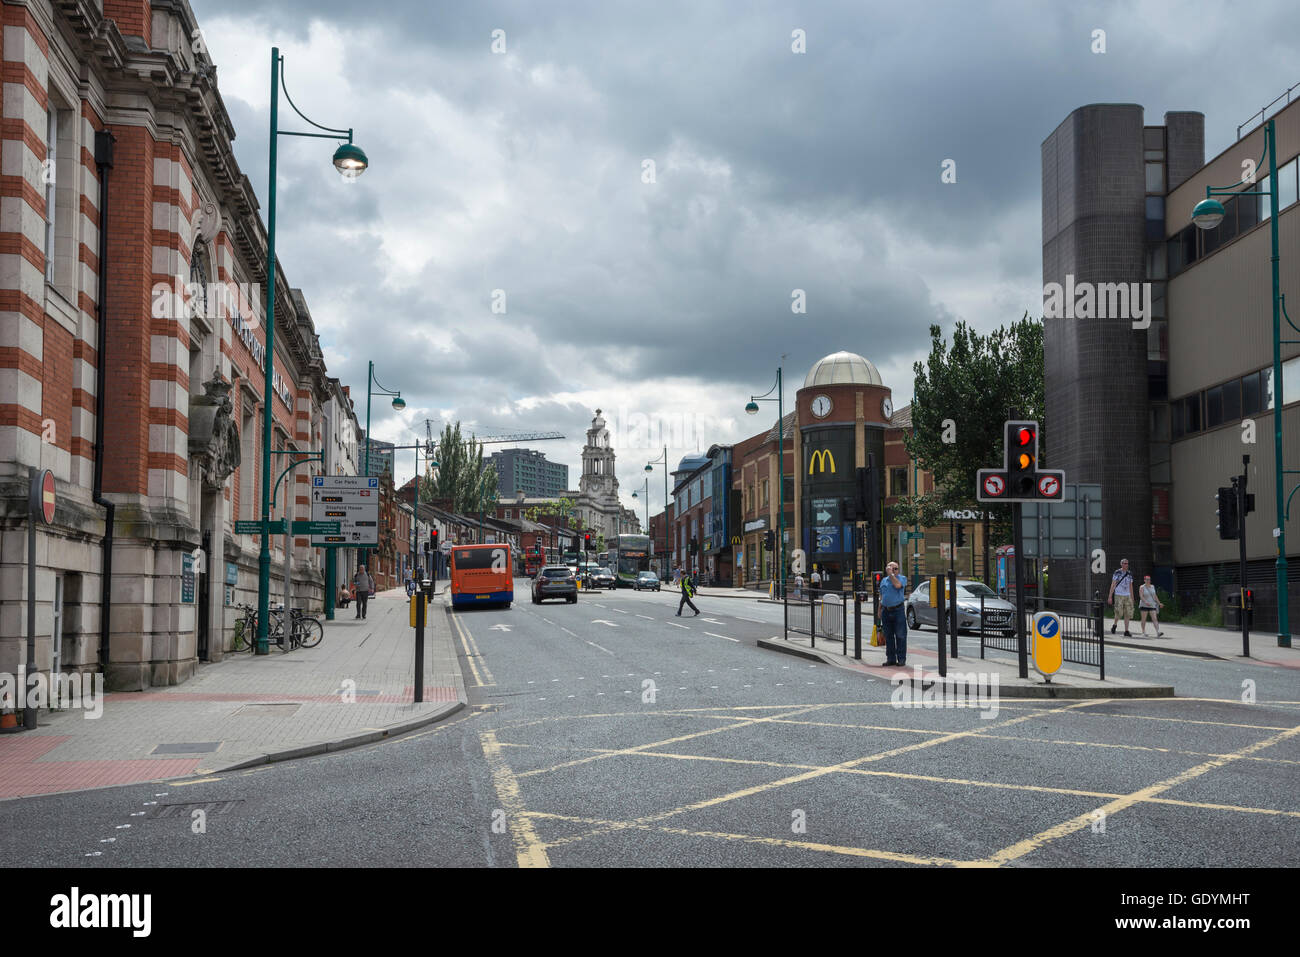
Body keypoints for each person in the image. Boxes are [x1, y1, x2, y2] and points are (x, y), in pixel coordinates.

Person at [878, 561, 908, 667]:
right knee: (888, 636)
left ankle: (901, 659)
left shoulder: (902, 578)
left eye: (896, 569)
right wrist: (879, 610)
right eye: (892, 568)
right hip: (886, 610)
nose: (894, 571)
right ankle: (890, 659)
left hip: (898, 610)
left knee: (900, 635)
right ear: (887, 569)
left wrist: (891, 575)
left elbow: (898, 586)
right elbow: (882, 596)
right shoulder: (883, 581)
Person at [1107, 558, 1135, 637]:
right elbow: (1113, 584)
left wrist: (1132, 598)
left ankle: (1126, 631)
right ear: (1121, 564)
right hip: (1118, 594)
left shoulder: (1129, 573)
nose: (1127, 565)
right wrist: (1110, 596)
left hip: (1127, 595)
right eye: (1125, 563)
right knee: (1119, 613)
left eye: (1127, 563)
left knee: (1128, 613)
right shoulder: (1117, 572)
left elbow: (1130, 586)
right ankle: (1115, 625)